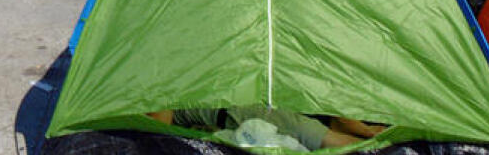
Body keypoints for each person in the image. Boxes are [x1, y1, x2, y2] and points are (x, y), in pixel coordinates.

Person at [148, 105, 379, 151]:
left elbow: (156, 129)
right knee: (317, 134)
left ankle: (369, 138)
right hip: (236, 111)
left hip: (237, 111)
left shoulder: (157, 91)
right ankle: (367, 135)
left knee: (326, 139)